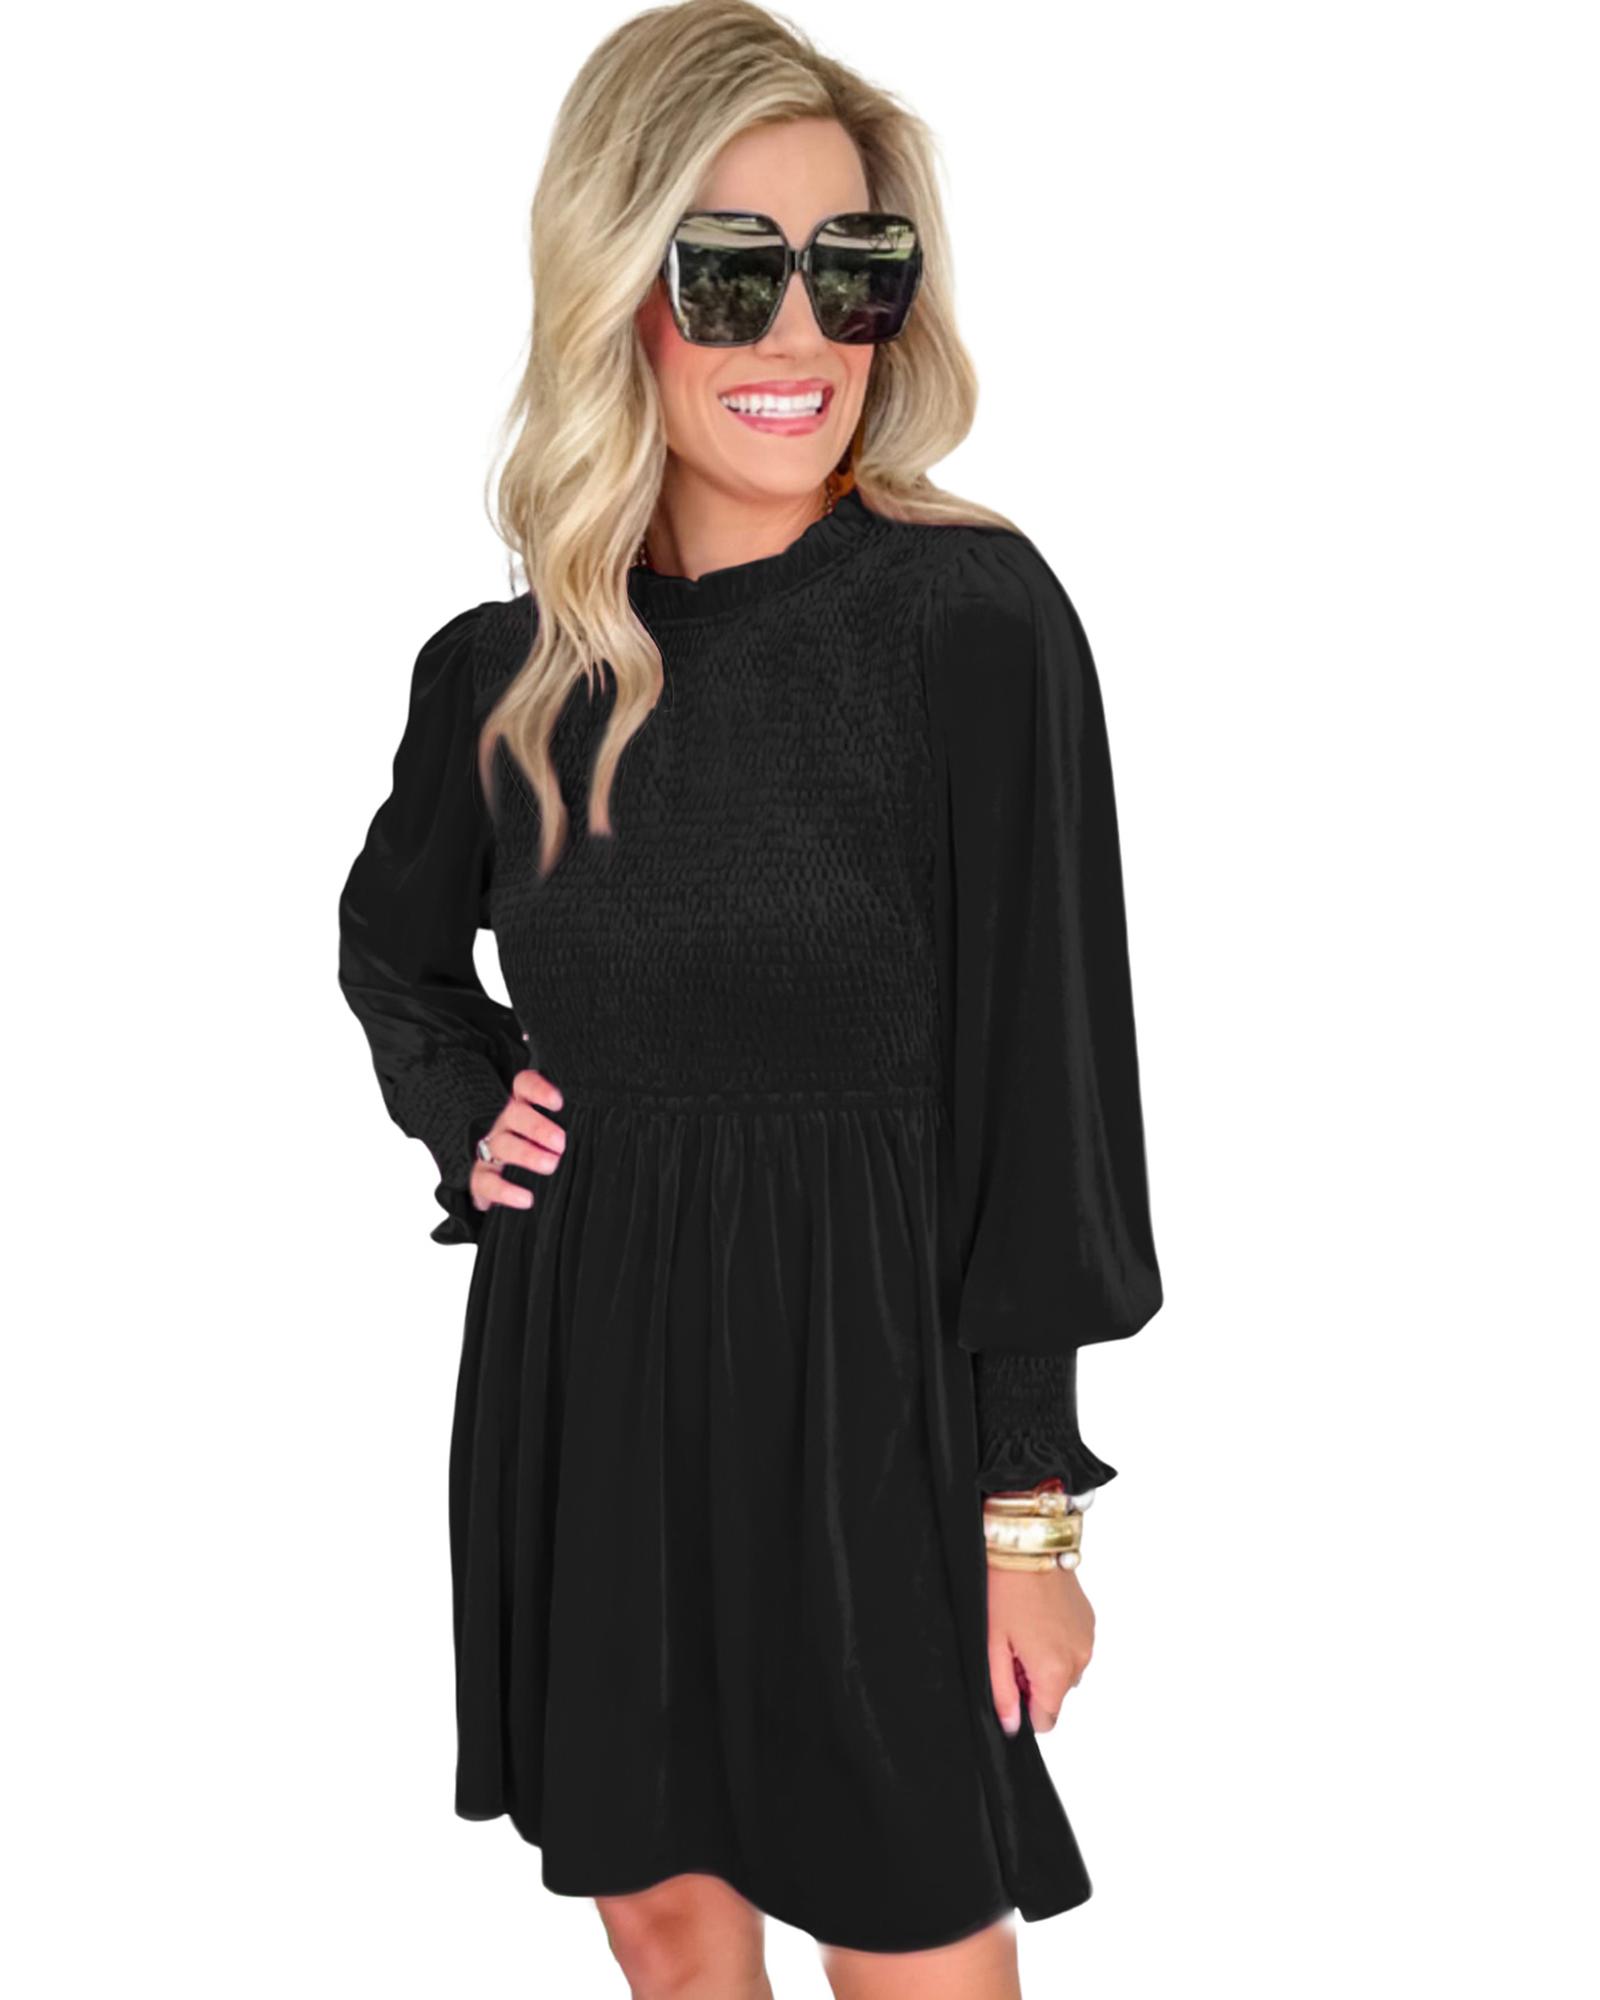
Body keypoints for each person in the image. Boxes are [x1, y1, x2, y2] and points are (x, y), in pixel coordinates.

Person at [336, 4, 1163, 1993]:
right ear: (618, 286)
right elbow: (390, 944)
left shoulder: (968, 618)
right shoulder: (506, 672)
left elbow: (1045, 1087)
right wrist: (465, 1102)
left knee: (910, 1932)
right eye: (728, 270)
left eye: (851, 270)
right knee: (666, 1926)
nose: (798, 332)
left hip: (872, 1391)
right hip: (592, 1369)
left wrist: (1028, 1512)